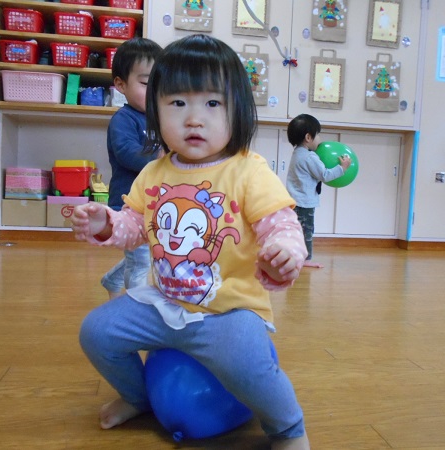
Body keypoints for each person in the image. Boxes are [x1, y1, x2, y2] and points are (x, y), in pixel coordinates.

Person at [71, 34, 311, 450]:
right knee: (96, 332)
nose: (194, 119)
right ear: (155, 110)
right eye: (178, 103)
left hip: (227, 311)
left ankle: (288, 428)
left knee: (248, 363)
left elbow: (283, 225)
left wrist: (285, 253)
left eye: (213, 103)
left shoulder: (249, 171)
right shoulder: (153, 173)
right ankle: (139, 398)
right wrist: (105, 223)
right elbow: (134, 226)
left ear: (238, 110)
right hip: (163, 303)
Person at [101, 37, 163, 299]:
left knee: (143, 255)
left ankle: (111, 280)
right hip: (129, 204)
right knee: (140, 262)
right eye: (147, 84)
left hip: (156, 205)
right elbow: (126, 152)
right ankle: (135, 308)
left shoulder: (162, 119)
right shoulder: (123, 119)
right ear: (121, 84)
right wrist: (159, 157)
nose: (155, 91)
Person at [286, 114, 351, 269]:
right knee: (307, 231)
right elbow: (325, 175)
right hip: (304, 203)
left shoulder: (297, 154)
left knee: (296, 230)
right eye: (318, 135)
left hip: (294, 201)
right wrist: (342, 168)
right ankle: (306, 259)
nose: (320, 139)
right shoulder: (309, 157)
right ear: (308, 137)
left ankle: (293, 255)